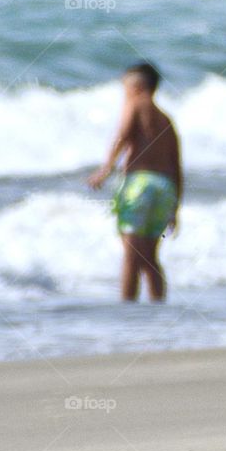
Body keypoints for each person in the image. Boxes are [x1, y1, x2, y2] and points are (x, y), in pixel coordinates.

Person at [88, 62, 182, 302]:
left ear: (138, 87)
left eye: (125, 87)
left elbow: (124, 135)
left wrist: (106, 169)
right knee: (150, 257)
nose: (124, 93)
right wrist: (175, 208)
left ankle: (127, 312)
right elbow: (176, 165)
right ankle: (158, 307)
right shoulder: (166, 120)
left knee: (131, 256)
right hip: (164, 188)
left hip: (138, 186)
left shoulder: (136, 104)